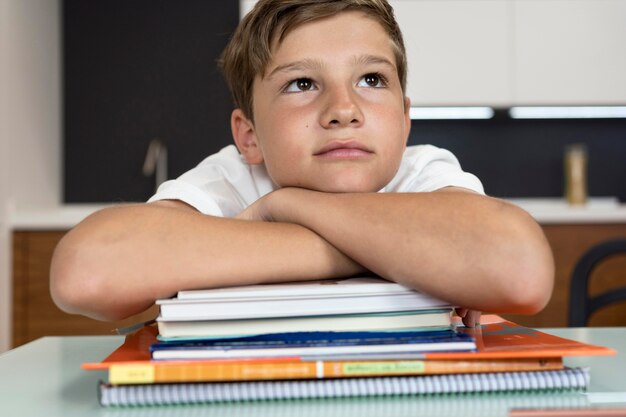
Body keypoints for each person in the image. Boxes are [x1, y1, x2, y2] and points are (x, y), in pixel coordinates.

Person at [50, 0, 554, 327]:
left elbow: (522, 271)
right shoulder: (232, 178)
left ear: (404, 120)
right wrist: (398, 253)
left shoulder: (421, 172)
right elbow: (87, 274)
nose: (343, 110)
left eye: (372, 80)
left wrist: (286, 206)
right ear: (249, 137)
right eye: (302, 84)